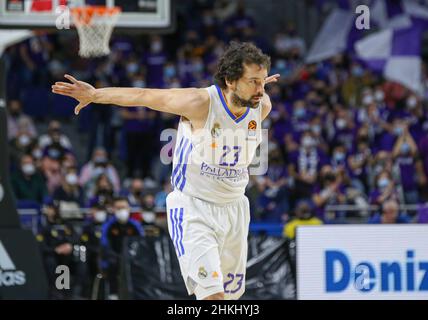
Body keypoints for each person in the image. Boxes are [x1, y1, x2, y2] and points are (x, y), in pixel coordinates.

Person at [52, 41, 279, 300]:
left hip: (235, 209)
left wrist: (254, 85)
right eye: (253, 82)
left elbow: (255, 98)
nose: (261, 89)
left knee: (230, 298)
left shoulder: (263, 106)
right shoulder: (199, 102)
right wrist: (95, 95)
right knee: (212, 296)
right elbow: (144, 96)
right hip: (195, 208)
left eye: (263, 82)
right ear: (230, 80)